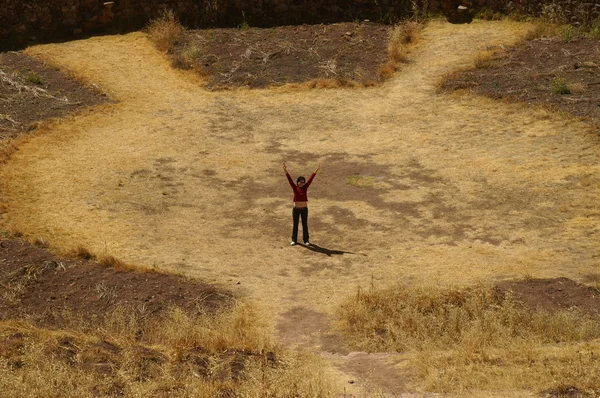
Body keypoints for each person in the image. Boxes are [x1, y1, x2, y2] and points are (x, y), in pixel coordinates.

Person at [283, 162, 320, 246]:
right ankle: (294, 240)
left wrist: (316, 171)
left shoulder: (305, 187)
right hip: (296, 209)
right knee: (295, 225)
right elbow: (289, 179)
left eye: (303, 182)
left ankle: (306, 240)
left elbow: (311, 180)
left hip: (304, 209)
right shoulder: (294, 187)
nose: (301, 183)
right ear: (297, 182)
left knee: (305, 225)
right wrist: (285, 170)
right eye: (300, 182)